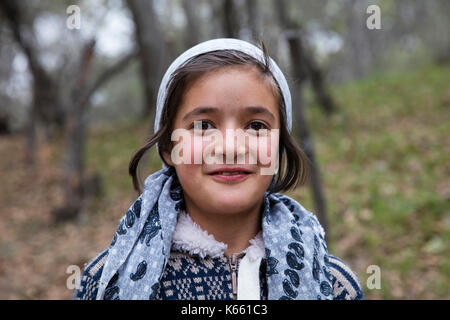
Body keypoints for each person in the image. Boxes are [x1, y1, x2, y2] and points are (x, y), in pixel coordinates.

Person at [73, 38, 363, 300]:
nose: (230, 146)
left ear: (278, 148)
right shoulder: (105, 281)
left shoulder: (333, 285)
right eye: (203, 125)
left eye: (256, 126)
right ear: (168, 148)